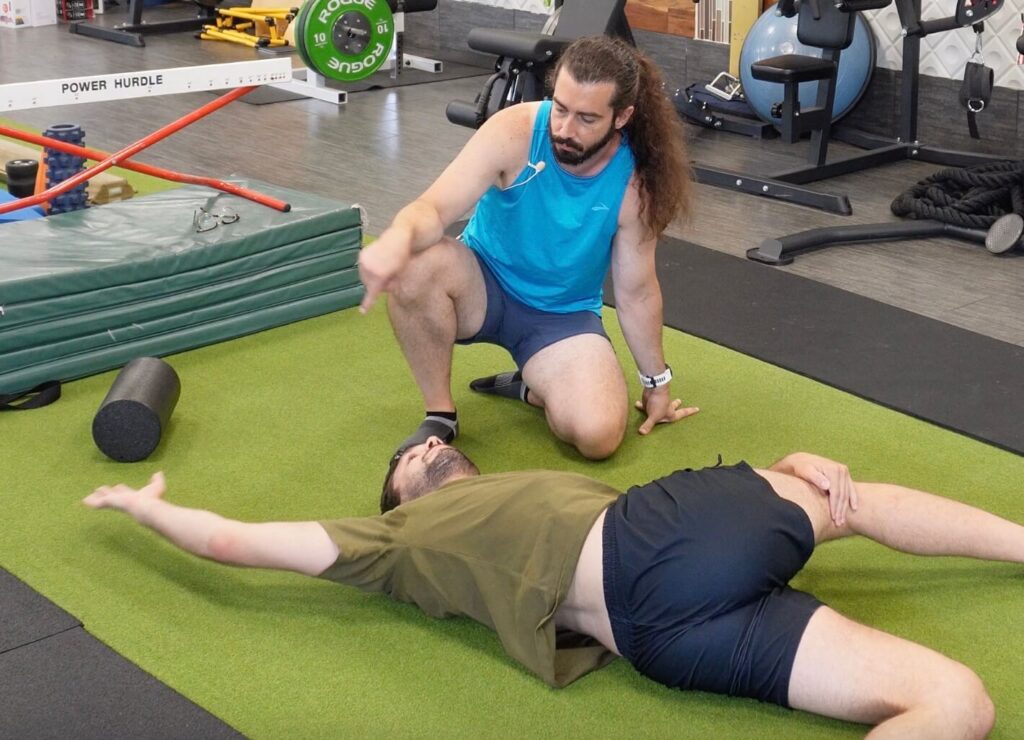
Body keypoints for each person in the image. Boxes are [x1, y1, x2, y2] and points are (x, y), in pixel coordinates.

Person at [86, 442, 1014, 736]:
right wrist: (148, 507)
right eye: (409, 461)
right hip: (650, 583)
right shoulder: (390, 543)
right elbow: (239, 541)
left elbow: (697, 516)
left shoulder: (534, 483)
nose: (423, 449)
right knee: (838, 499)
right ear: (399, 498)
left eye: (427, 446)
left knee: (958, 705)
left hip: (664, 621)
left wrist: (776, 467)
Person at [356, 36, 697, 460]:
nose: (565, 130)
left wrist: (656, 383)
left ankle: (533, 388)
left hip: (561, 316)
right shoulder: (514, 130)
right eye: (561, 108)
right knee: (413, 263)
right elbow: (434, 208)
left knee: (598, 437)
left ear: (622, 116)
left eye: (587, 119)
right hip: (480, 285)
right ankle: (441, 413)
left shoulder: (635, 181)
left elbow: (637, 291)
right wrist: (398, 237)